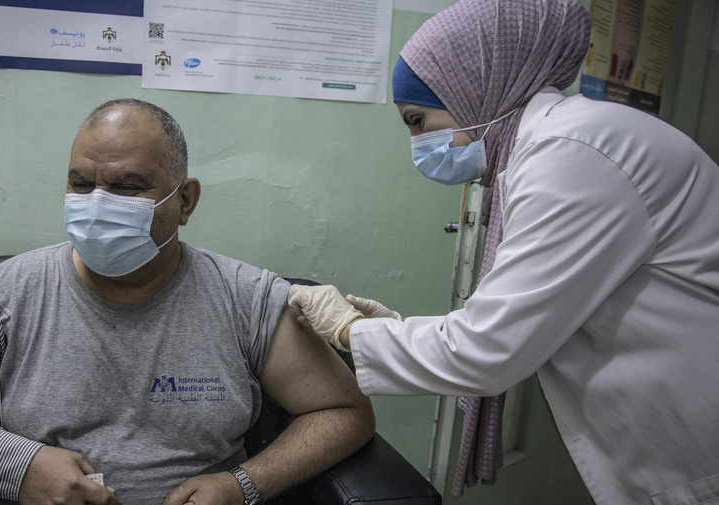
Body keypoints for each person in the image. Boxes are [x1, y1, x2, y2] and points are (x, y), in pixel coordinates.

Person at [287, 1, 719, 504]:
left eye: (418, 121)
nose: (418, 144)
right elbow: (513, 320)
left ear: (474, 90)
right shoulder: (557, 147)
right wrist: (397, 328)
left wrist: (347, 330)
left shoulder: (572, 154)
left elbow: (489, 351)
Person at [0, 98, 375, 505]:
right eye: (81, 184)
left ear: (185, 200)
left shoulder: (244, 299)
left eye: (127, 188)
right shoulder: (1, 299)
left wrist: (241, 485)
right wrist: (16, 467)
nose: (97, 206)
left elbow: (344, 411)